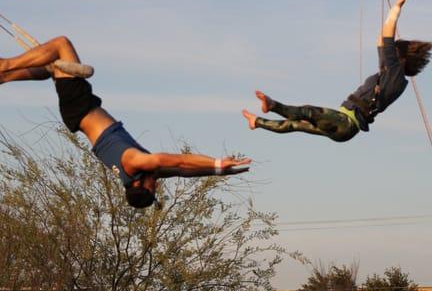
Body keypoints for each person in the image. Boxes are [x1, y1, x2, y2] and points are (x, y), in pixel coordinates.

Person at [0, 36, 251, 208]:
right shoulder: (139, 173)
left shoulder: (135, 162)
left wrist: (219, 161)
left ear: (142, 186)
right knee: (51, 66)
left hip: (82, 108)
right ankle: (5, 78)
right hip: (80, 112)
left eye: (154, 189)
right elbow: (185, 171)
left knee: (60, 44)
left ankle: (5, 65)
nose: (157, 185)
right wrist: (220, 170)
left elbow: (181, 160)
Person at [242, 0, 432, 142]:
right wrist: (389, 18)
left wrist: (396, 10)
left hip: (346, 123)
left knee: (308, 112)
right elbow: (381, 41)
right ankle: (256, 122)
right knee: (296, 125)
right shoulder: (394, 79)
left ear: (400, 58)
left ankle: (272, 105)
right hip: (345, 124)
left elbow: (386, 37)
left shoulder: (394, 72)